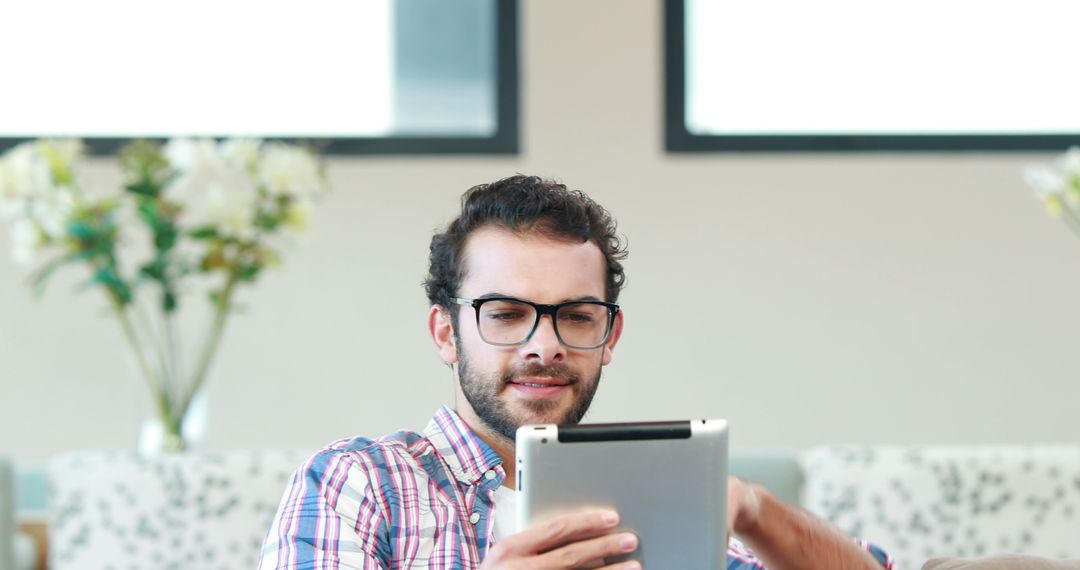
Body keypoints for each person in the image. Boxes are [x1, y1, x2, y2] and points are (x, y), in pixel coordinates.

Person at [259, 175, 894, 570]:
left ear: (609, 335)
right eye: (506, 314)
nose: (545, 345)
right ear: (445, 332)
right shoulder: (359, 483)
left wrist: (753, 509)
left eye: (577, 316)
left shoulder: (650, 502)